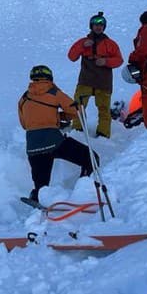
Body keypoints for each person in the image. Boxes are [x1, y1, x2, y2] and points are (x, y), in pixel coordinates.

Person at [18, 65, 100, 202]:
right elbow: (77, 111)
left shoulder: (24, 98)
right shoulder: (53, 92)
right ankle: (83, 191)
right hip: (54, 141)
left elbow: (24, 124)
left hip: (33, 146)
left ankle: (39, 198)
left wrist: (50, 117)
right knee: (91, 159)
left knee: (41, 186)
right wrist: (61, 117)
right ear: (50, 77)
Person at [67, 11, 124, 138]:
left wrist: (106, 61)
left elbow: (119, 60)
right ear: (91, 26)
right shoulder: (83, 41)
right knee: (78, 107)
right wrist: (82, 46)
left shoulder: (110, 44)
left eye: (101, 25)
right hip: (86, 81)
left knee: (104, 110)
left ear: (104, 27)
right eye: (96, 24)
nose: (98, 27)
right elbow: (71, 56)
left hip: (103, 82)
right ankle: (77, 130)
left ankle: (103, 134)